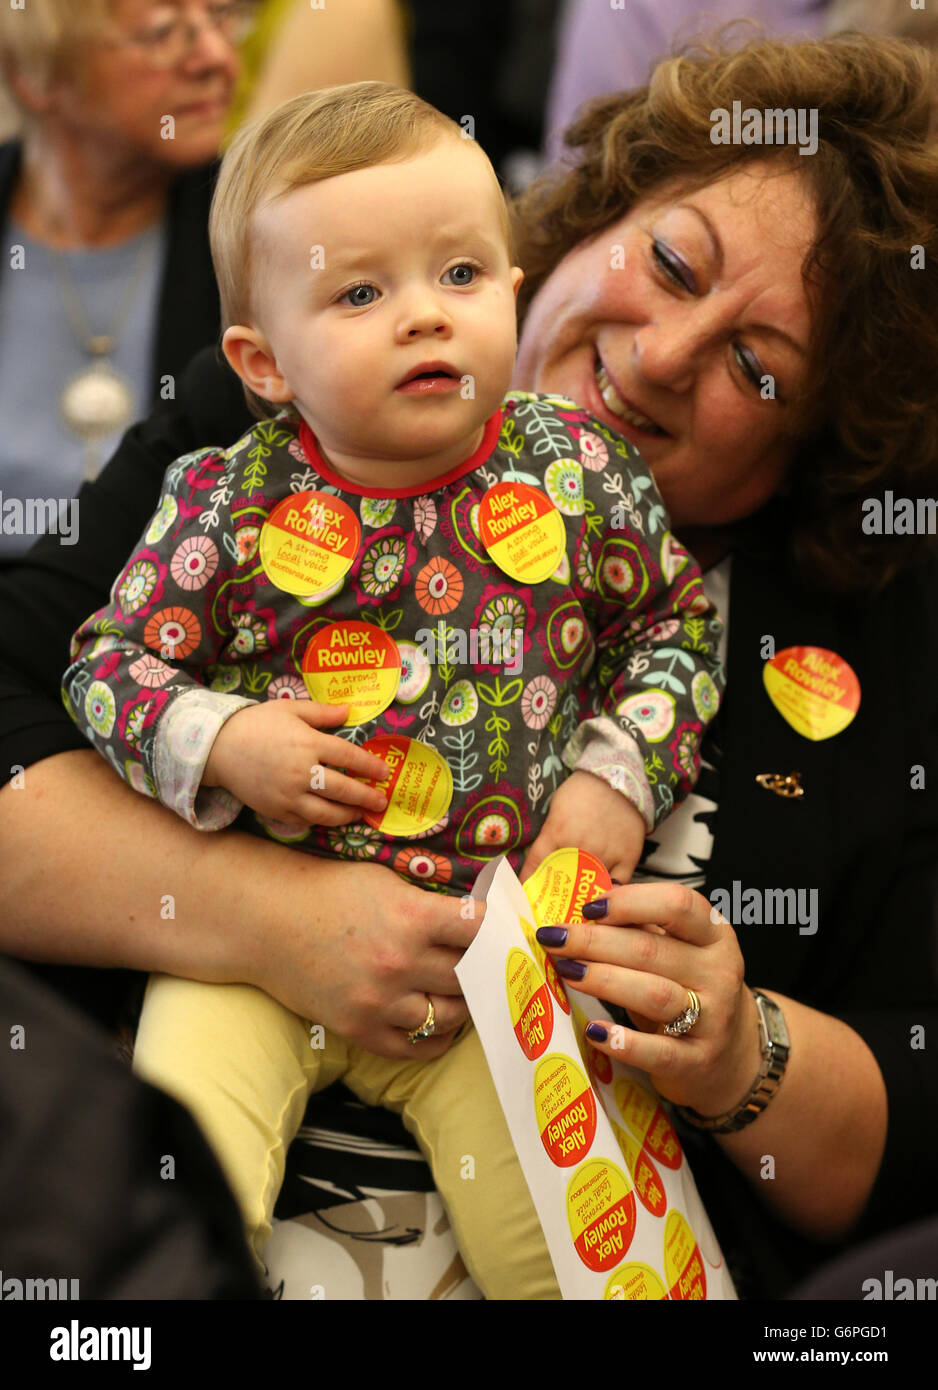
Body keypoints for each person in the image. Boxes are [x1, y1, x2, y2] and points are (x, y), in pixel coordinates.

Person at [1, 30, 936, 1299]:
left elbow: (906, 1115)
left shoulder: (836, 631)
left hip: (545, 1101)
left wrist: (736, 1051)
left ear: (810, 457)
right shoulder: (286, 425)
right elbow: (67, 680)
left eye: (754, 368)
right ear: (589, 210)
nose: (661, 355)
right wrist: (269, 905)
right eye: (669, 262)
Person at [59, 82, 723, 1296]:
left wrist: (614, 774)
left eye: (461, 274)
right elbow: (105, 663)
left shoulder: (579, 473)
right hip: (247, 962)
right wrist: (221, 737)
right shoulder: (228, 501)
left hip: (484, 965)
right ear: (261, 361)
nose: (425, 317)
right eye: (360, 293)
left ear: (514, 290)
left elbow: (676, 631)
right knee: (161, 1187)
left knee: (567, 1252)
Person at [0, 0, 247, 556]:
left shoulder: (256, 234)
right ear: (37, 75)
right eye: (163, 33)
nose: (216, 57)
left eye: (222, 16)